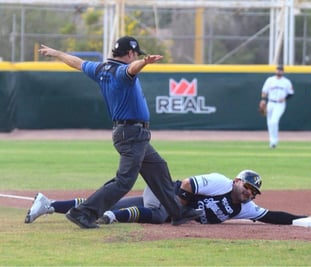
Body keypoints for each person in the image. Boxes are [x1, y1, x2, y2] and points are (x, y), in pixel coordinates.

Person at [38, 36, 202, 228]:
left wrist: (57, 53)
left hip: (131, 134)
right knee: (124, 182)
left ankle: (177, 212)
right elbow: (131, 69)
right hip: (131, 133)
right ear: (130, 53)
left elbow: (78, 63)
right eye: (135, 55)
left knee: (158, 168)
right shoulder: (122, 71)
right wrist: (144, 63)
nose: (135, 58)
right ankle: (83, 212)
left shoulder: (100, 69)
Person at [25, 170, 307, 225]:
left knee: (101, 203)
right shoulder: (221, 182)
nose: (248, 192)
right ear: (236, 181)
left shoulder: (243, 209)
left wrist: (307, 220)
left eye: (253, 191)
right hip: (164, 192)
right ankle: (112, 218)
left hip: (159, 198)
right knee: (161, 215)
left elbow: (272, 217)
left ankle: (47, 205)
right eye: (246, 186)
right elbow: (186, 183)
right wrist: (179, 208)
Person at [258, 65, 294, 148]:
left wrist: (284, 98)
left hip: (280, 104)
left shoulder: (286, 82)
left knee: (274, 121)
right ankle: (272, 142)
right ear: (276, 71)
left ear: (283, 72)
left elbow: (291, 93)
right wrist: (263, 100)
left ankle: (274, 141)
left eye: (281, 70)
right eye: (278, 70)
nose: (279, 71)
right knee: (269, 123)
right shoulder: (270, 80)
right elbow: (264, 91)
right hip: (270, 102)